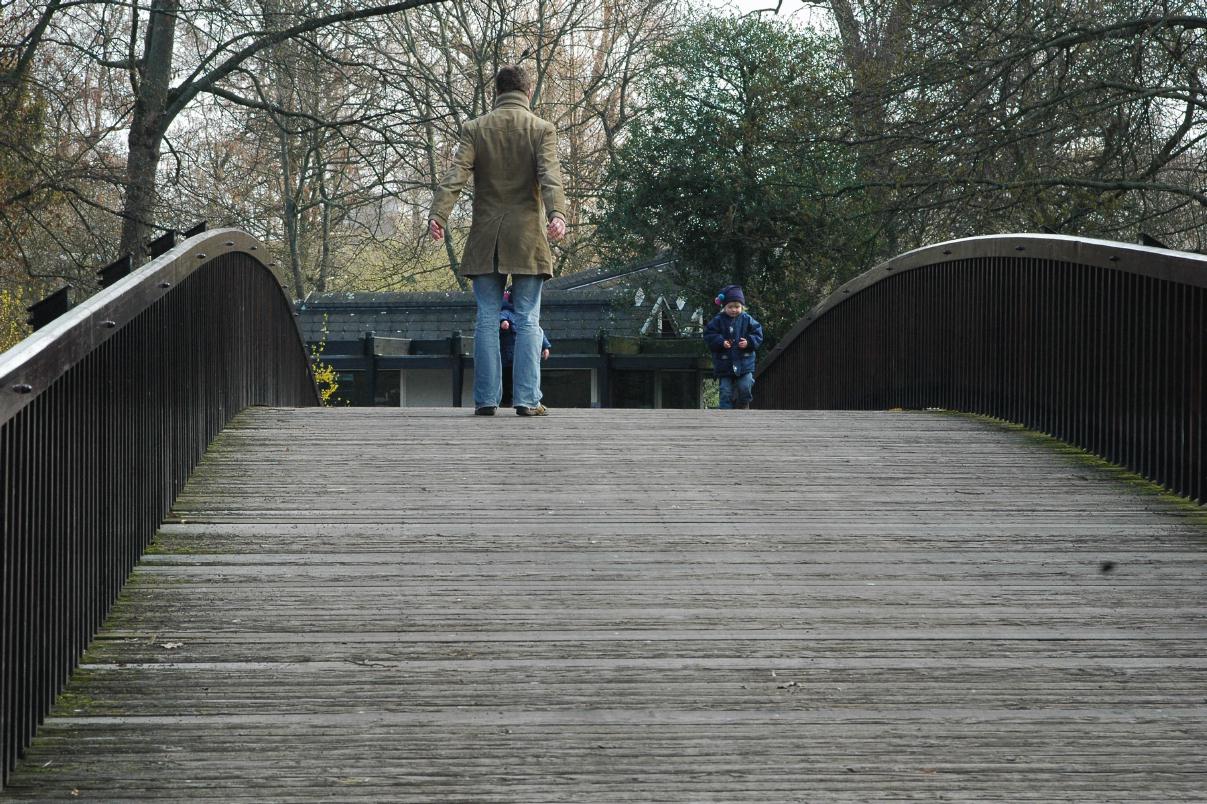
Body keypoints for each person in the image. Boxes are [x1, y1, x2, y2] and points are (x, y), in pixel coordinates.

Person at [428, 64, 566, 417]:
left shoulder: (475, 129)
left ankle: (486, 399)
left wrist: (438, 215)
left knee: (487, 318)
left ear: (496, 91)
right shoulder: (541, 129)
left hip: (486, 237)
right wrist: (557, 214)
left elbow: (455, 174)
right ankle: (527, 400)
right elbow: (550, 176)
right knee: (528, 319)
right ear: (527, 91)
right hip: (527, 238)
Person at [703, 284, 764, 409]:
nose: (734, 310)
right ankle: (725, 413)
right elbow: (709, 334)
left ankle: (743, 406)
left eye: (737, 307)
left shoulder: (748, 319)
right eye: (730, 307)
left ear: (742, 307)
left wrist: (749, 342)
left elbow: (758, 333)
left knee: (745, 386)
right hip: (725, 363)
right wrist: (720, 342)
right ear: (724, 307)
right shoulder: (718, 320)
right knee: (725, 391)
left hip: (744, 363)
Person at [500, 289, 551, 407]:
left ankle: (519, 400)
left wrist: (545, 346)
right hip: (507, 357)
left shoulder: (528, 316)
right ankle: (507, 402)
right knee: (507, 381)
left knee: (519, 380)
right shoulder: (506, 312)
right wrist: (503, 322)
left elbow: (537, 332)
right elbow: (501, 317)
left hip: (521, 357)